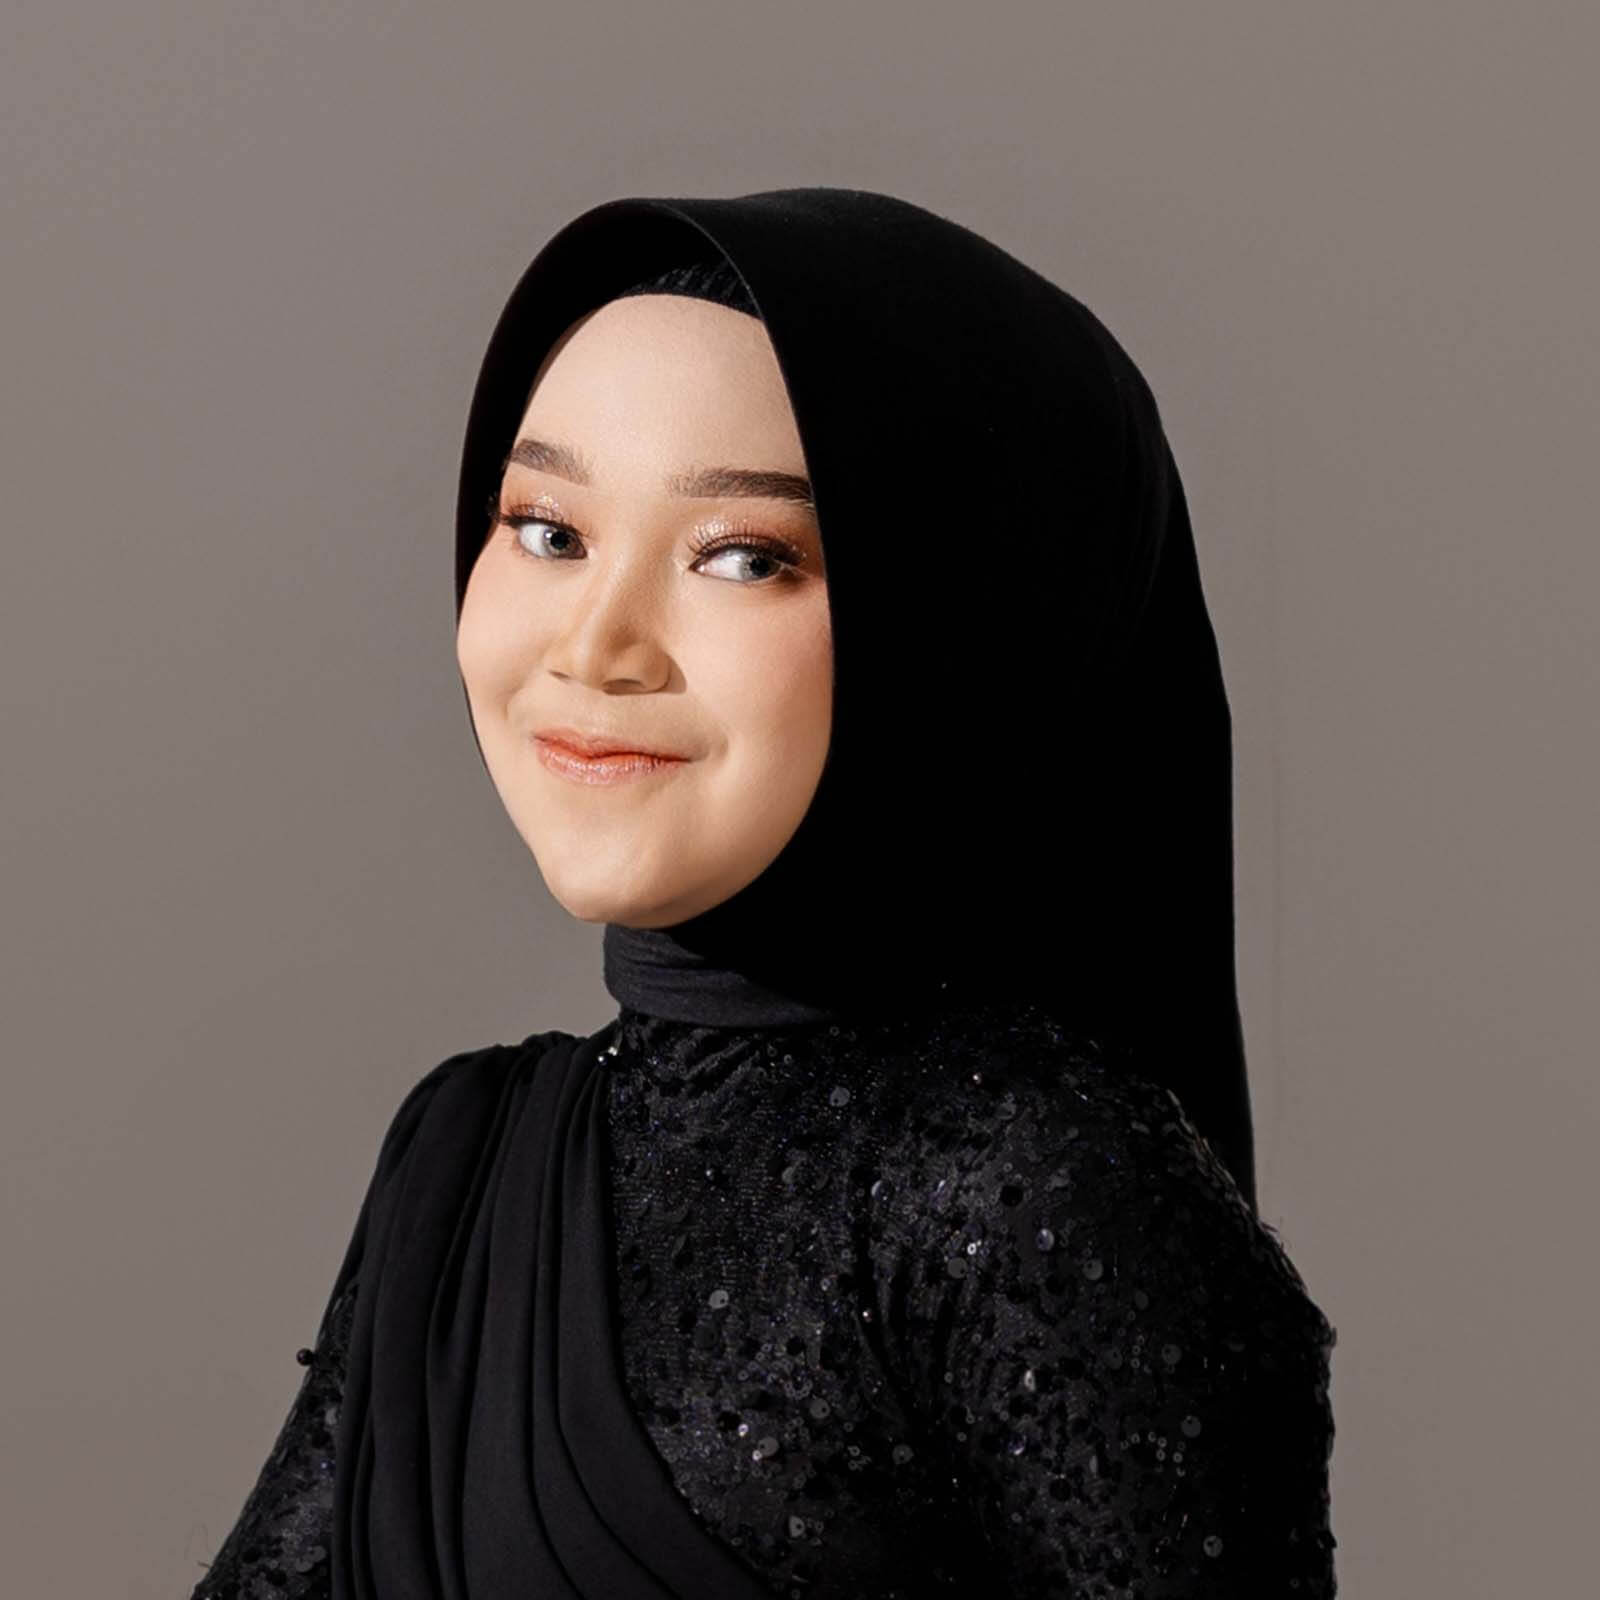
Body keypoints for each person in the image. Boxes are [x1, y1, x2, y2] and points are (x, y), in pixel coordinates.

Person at [188, 187, 1337, 1598]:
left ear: (959, 619)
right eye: (547, 530)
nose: (597, 646)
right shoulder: (465, 1164)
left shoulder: (1031, 1187)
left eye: (744, 557)